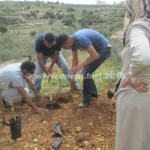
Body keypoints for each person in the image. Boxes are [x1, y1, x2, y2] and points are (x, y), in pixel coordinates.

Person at [115, 0, 150, 149]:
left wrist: (132, 77)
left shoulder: (138, 27)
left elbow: (143, 57)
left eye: (127, 11)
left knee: (130, 143)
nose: (127, 16)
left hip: (135, 96)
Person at [57, 29, 111, 108]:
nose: (64, 49)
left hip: (104, 49)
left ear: (67, 41)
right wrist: (73, 76)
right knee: (86, 71)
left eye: (64, 47)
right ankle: (93, 93)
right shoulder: (73, 43)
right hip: (97, 50)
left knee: (87, 72)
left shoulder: (81, 38)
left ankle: (86, 100)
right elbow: (75, 60)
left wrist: (81, 65)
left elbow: (95, 56)